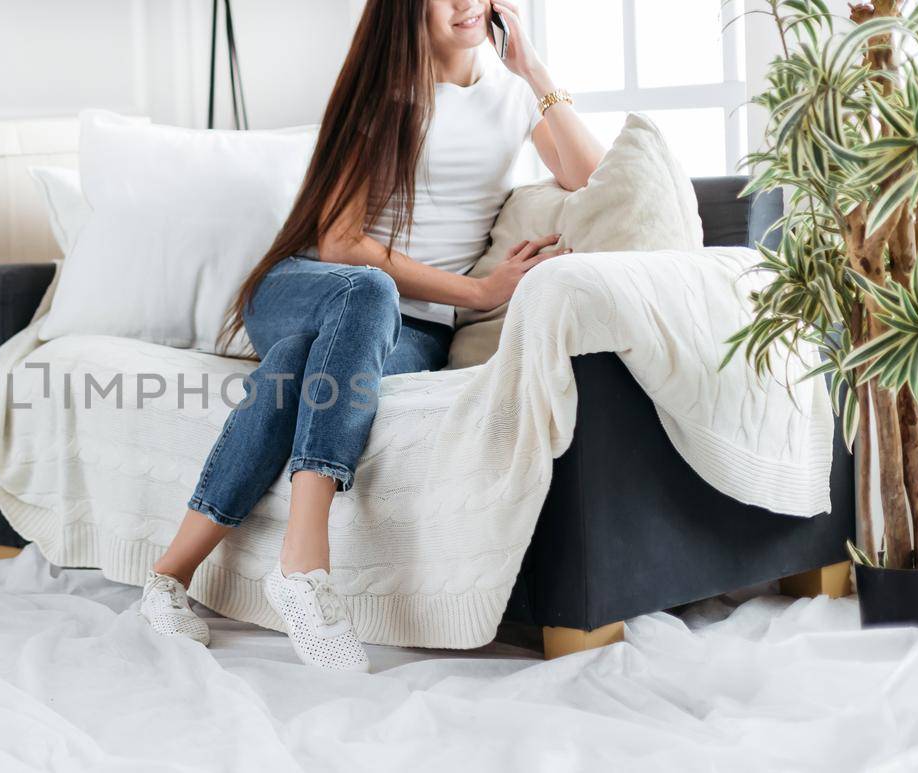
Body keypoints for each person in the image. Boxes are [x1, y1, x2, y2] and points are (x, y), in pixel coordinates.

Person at [138, 0, 606, 671]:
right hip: (307, 286)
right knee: (367, 291)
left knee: (303, 367)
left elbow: (592, 179)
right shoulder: (388, 97)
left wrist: (531, 67)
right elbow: (341, 244)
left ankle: (168, 578)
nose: (467, 4)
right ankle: (304, 564)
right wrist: (478, 293)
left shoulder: (512, 100)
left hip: (414, 329)